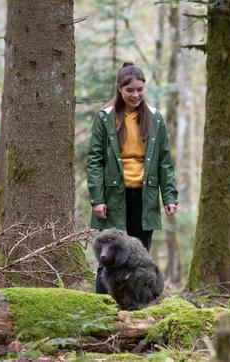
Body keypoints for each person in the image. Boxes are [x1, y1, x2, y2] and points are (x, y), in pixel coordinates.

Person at [87, 61, 178, 294]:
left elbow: (164, 162)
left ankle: (138, 307)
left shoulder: (155, 118)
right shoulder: (106, 118)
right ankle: (103, 306)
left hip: (145, 197)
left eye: (140, 89)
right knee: (108, 257)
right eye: (130, 90)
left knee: (140, 258)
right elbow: (95, 160)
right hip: (113, 197)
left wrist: (169, 196)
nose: (136, 95)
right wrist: (97, 199)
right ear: (119, 89)